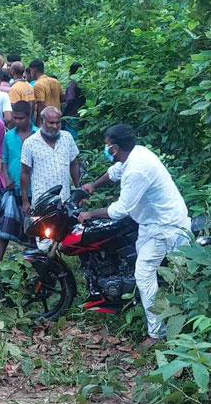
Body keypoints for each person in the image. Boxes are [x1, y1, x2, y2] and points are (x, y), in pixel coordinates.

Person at [78, 124, 192, 350]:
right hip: (154, 222)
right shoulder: (135, 154)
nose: (106, 149)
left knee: (144, 273)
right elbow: (115, 172)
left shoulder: (137, 169)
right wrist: (93, 186)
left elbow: (120, 210)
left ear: (116, 148)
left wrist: (90, 214)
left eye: (107, 146)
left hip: (164, 226)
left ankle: (156, 335)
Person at [0, 101, 36, 269]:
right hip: (13, 189)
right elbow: (4, 160)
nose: (17, 121)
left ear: (28, 116)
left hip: (34, 190)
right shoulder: (9, 136)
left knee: (33, 229)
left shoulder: (38, 135)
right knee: (3, 228)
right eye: (14, 118)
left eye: (20, 118)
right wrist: (6, 178)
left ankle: (34, 265)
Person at [20, 106, 80, 214]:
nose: (55, 126)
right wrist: (25, 201)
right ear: (42, 121)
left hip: (65, 200)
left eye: (58, 122)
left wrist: (78, 189)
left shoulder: (67, 138)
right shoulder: (30, 143)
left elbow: (74, 164)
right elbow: (25, 173)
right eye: (51, 123)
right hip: (42, 201)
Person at [63, 62, 86, 139]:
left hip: (72, 115)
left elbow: (70, 99)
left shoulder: (72, 84)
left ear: (70, 72)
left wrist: (65, 111)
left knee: (72, 136)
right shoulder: (83, 84)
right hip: (82, 114)